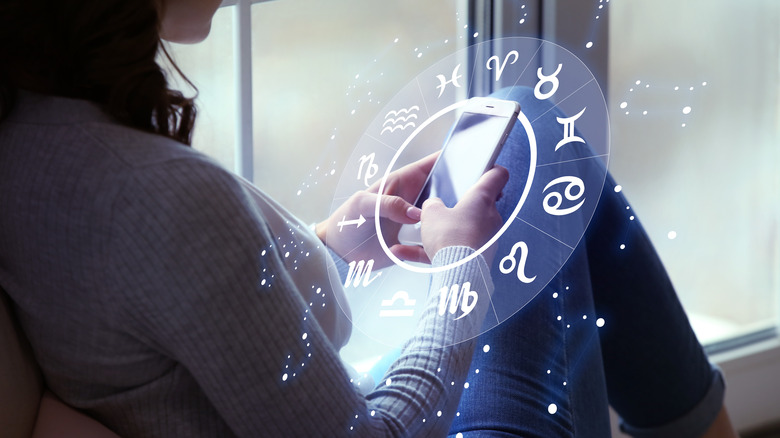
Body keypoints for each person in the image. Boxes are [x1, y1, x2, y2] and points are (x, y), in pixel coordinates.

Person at [0, 0, 738, 437]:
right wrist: (458, 271)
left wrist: (321, 244)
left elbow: (174, 320)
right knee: (533, 130)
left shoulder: (30, 140)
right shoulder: (159, 197)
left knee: (528, 138)